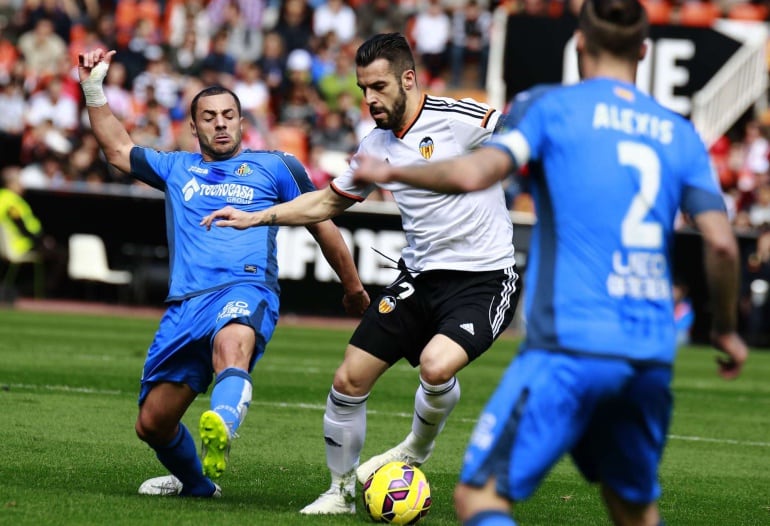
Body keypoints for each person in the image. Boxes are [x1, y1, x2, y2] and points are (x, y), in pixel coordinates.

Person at [351, 2, 749, 524]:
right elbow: (721, 245)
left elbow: (473, 174)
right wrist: (724, 329)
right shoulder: (678, 131)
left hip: (570, 346)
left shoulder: (550, 108)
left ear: (579, 44)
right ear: (645, 51)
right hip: (648, 353)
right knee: (633, 507)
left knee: (480, 499)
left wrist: (397, 173)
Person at [200, 32, 520, 514]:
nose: (369, 99)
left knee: (435, 365)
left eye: (378, 87)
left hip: (485, 278)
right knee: (348, 381)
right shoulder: (375, 145)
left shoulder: (459, 119)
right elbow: (328, 201)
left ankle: (416, 447)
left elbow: (524, 131)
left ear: (408, 79)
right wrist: (257, 216)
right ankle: (341, 492)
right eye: (362, 88)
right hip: (420, 277)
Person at [77, 48, 370, 498]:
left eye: (228, 115)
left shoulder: (275, 167)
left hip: (245, 287)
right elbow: (117, 149)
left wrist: (352, 288)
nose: (220, 123)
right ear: (193, 126)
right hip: (185, 306)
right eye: (209, 116)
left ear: (240, 121)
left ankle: (223, 426)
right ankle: (198, 485)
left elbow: (324, 227)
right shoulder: (177, 167)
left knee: (232, 344)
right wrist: (93, 87)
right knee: (152, 424)